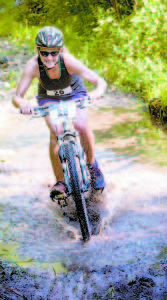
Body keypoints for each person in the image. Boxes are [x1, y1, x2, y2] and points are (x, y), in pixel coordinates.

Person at [12, 26, 107, 200]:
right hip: (48, 99)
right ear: (38, 51)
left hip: (75, 94)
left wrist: (96, 93)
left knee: (81, 125)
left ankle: (92, 166)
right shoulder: (33, 65)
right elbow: (17, 96)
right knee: (55, 133)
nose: (49, 57)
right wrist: (24, 104)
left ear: (60, 50)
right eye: (44, 53)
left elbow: (98, 81)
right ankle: (60, 182)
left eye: (54, 53)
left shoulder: (68, 61)